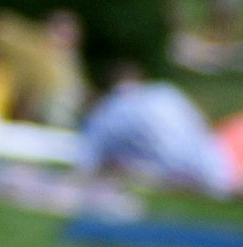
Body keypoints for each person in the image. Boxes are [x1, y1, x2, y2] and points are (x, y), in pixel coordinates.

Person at [80, 61, 243, 198]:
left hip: (186, 170)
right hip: (212, 158)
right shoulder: (165, 92)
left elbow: (88, 158)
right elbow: (199, 125)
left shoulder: (106, 112)